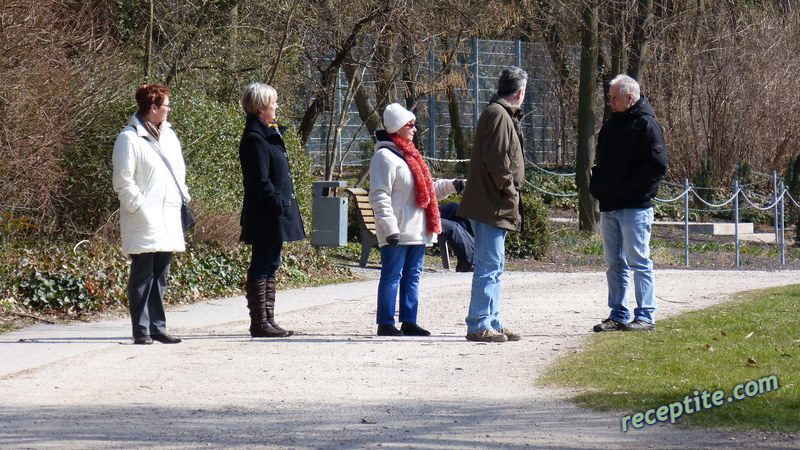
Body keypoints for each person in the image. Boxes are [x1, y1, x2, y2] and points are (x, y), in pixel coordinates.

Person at [368, 103, 460, 337]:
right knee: (392, 274)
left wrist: (452, 186)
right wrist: (389, 228)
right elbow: (379, 196)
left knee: (413, 275)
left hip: (417, 230)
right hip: (397, 231)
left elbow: (428, 190)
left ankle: (409, 320)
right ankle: (385, 322)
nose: (414, 129)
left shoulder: (410, 156)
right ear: (397, 128)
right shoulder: (385, 157)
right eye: (410, 125)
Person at [589, 74, 668, 332]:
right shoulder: (611, 127)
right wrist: (598, 187)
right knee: (614, 262)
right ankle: (618, 313)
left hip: (635, 206)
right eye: (609, 98)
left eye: (614, 98)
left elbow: (656, 167)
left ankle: (645, 315)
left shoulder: (647, 126)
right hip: (610, 206)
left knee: (639, 261)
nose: (610, 102)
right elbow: (602, 163)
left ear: (630, 98)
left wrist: (628, 190)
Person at [112, 84, 187, 345]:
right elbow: (123, 181)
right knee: (143, 275)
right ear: (153, 108)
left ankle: (158, 327)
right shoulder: (128, 138)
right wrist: (140, 208)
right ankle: (141, 330)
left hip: (168, 215)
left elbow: (179, 173)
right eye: (166, 105)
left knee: (161, 275)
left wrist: (182, 198)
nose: (169, 109)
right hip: (143, 217)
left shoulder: (169, 136)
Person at [457, 67, 528, 343]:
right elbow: (497, 161)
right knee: (488, 266)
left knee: (495, 266)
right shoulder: (498, 114)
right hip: (491, 204)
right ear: (520, 93)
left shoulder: (499, 113)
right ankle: (478, 323)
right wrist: (510, 191)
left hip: (494, 203)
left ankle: (493, 321)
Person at [239, 82, 306, 338]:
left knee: (271, 264)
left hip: (274, 212)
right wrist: (278, 203)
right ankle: (259, 322)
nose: (277, 106)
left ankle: (268, 319)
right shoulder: (255, 138)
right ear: (261, 106)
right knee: (262, 263)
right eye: (273, 102)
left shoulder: (269, 133)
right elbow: (259, 181)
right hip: (266, 213)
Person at [439, 201, 475, 272]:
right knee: (453, 226)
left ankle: (480, 254)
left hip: (431, 209)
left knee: (458, 208)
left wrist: (451, 189)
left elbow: (431, 194)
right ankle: (471, 261)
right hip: (417, 217)